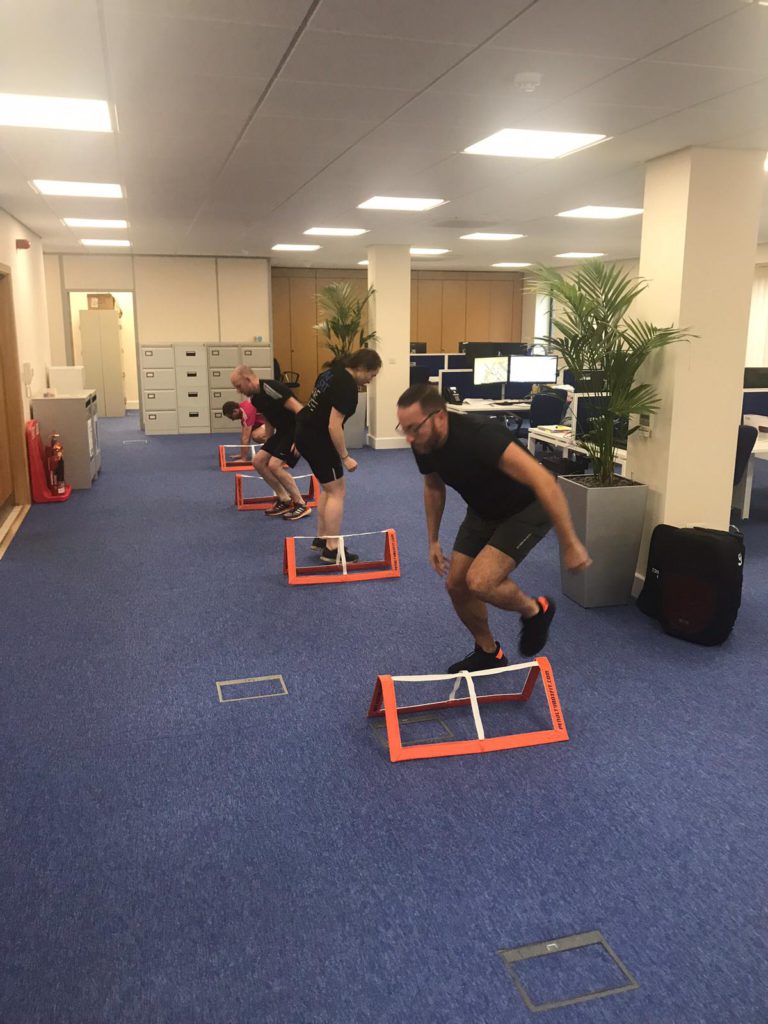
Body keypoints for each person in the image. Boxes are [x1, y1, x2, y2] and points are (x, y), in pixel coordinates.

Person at [395, 384, 591, 669]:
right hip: (483, 510)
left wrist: (570, 543)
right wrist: (433, 540)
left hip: (527, 507)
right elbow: (433, 486)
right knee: (457, 586)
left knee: (481, 581)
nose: (409, 438)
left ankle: (535, 611)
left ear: (439, 416)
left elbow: (544, 481)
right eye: (404, 429)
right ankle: (489, 652)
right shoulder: (424, 442)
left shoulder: (480, 436)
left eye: (415, 428)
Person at [294, 348, 382, 563]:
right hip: (318, 439)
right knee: (337, 491)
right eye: (371, 375)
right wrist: (345, 456)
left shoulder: (331, 372)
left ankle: (322, 539)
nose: (371, 381)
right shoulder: (347, 386)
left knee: (328, 487)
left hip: (306, 433)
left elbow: (313, 407)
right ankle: (332, 548)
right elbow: (334, 426)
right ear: (361, 368)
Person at [230, 365, 311, 521]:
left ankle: (301, 504)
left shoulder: (270, 388)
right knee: (258, 461)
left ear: (247, 379)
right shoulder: (255, 398)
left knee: (274, 465)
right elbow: (268, 418)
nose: (238, 390)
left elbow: (299, 409)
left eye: (239, 386)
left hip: (295, 429)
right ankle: (284, 499)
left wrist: (300, 438)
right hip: (282, 432)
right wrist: (268, 441)